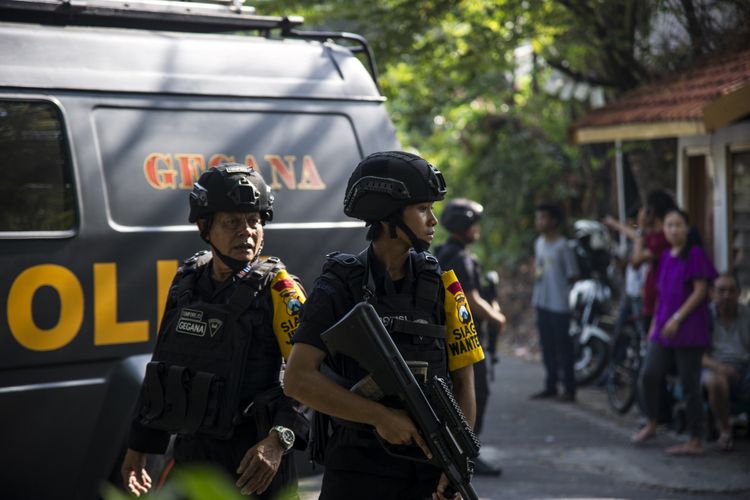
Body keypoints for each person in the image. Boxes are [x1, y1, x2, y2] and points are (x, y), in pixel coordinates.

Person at [283, 151, 485, 500]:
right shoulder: (338, 286)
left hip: (426, 472)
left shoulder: (444, 286)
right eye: (422, 209)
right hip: (355, 472)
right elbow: (297, 379)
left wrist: (455, 462)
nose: (433, 220)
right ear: (387, 215)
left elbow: (464, 381)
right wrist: (380, 416)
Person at [120, 164, 309, 498]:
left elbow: (310, 376)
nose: (247, 232)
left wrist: (278, 441)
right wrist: (139, 444)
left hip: (254, 466)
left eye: (254, 221)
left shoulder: (281, 290)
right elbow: (162, 366)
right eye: (232, 222)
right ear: (205, 227)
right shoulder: (186, 283)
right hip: (193, 456)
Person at [632, 208, 717, 455]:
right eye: (669, 225)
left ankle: (695, 439)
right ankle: (652, 422)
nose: (673, 229)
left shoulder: (695, 254)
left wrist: (678, 318)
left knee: (690, 384)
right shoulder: (666, 256)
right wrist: (654, 325)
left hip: (689, 328)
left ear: (687, 228)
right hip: (663, 329)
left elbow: (701, 291)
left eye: (678, 225)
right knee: (649, 374)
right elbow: (660, 295)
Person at [435, 198, 506, 477]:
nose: (477, 229)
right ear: (464, 225)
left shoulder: (445, 253)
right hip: (466, 339)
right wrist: (497, 318)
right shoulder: (462, 258)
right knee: (476, 394)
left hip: (449, 339)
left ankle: (458, 453)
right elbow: (473, 300)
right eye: (474, 223)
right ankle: (467, 455)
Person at [530, 202, 580, 402]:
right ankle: (550, 385)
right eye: (538, 217)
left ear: (553, 221)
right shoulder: (539, 243)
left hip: (560, 304)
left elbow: (573, 274)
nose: (539, 221)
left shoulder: (563, 246)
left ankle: (569, 388)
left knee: (563, 347)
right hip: (542, 301)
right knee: (547, 346)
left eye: (543, 217)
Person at [703, 272, 750, 451]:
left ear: (738, 293)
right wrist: (719, 367)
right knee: (717, 382)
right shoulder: (705, 316)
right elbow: (697, 356)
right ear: (712, 292)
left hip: (744, 368)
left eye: (731, 291)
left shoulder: (746, 314)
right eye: (721, 290)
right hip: (713, 367)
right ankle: (724, 430)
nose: (726, 296)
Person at [631, 190, 677, 334]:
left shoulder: (662, 239)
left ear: (652, 211)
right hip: (652, 298)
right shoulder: (654, 235)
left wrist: (640, 227)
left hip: (660, 301)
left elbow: (636, 261)